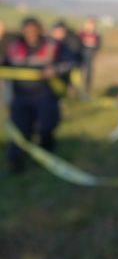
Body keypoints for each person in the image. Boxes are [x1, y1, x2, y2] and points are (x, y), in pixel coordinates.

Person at [3, 17, 74, 173]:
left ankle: (47, 158)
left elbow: (70, 61)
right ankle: (16, 166)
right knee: (20, 132)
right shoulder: (12, 47)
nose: (31, 34)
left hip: (45, 96)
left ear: (40, 30)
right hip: (21, 98)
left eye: (34, 30)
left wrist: (55, 69)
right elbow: (5, 65)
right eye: (27, 30)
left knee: (47, 127)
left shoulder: (53, 46)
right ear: (22, 31)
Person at [77, 17, 103, 96]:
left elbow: (98, 46)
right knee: (78, 74)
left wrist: (94, 52)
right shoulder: (81, 34)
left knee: (89, 74)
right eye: (89, 24)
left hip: (90, 58)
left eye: (92, 24)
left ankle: (86, 91)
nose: (90, 26)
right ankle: (77, 91)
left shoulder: (97, 36)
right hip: (80, 57)